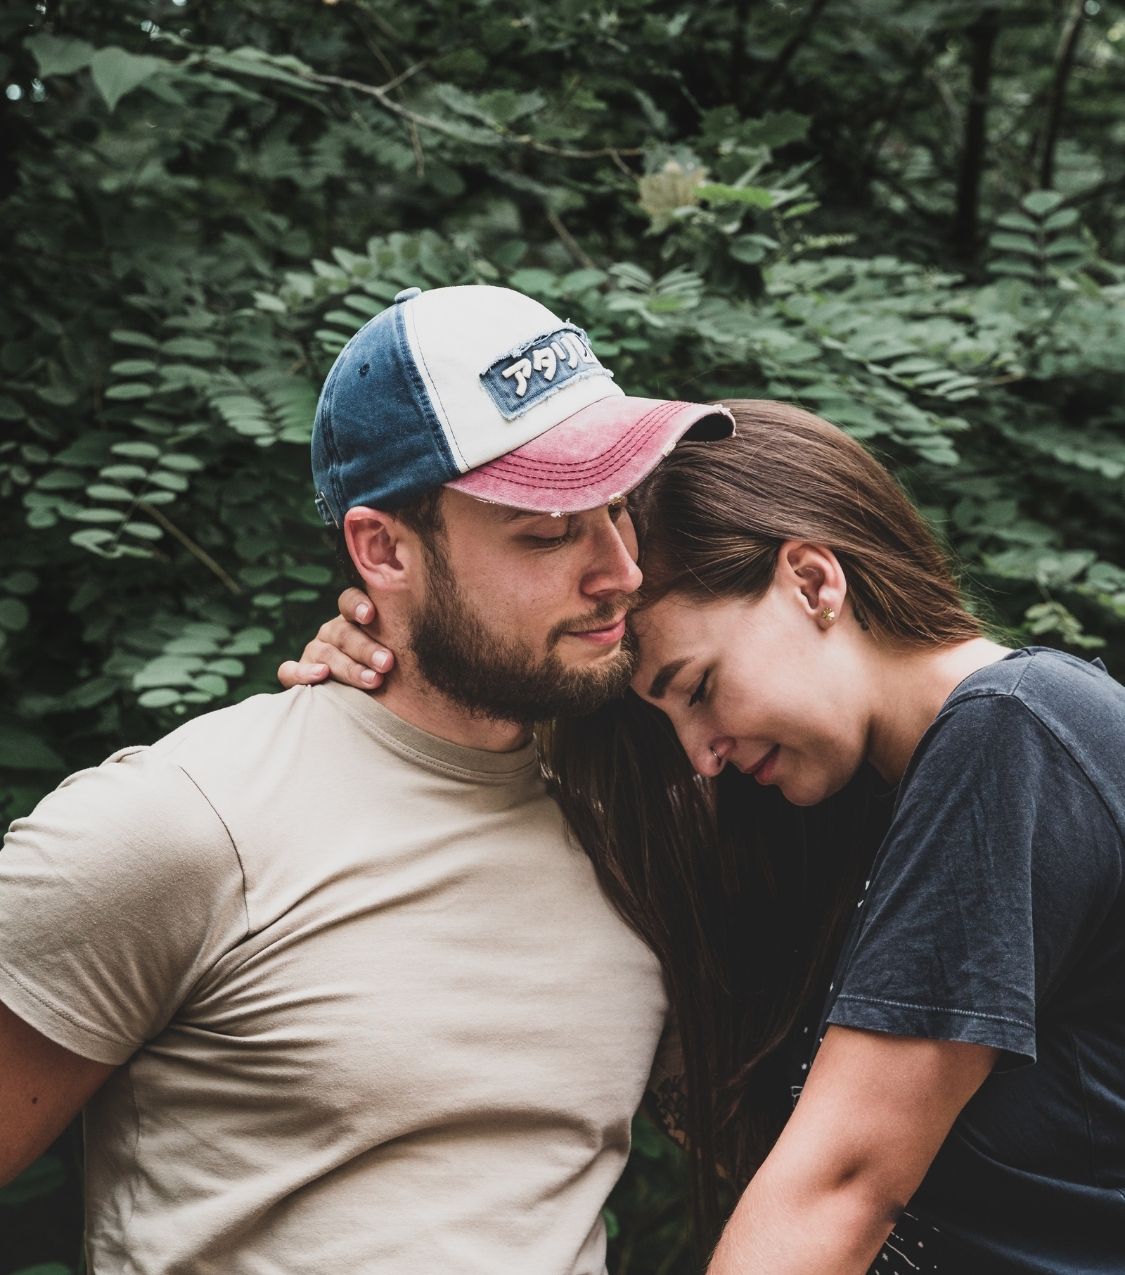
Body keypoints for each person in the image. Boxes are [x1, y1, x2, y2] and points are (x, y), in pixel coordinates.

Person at [288, 400, 1125, 1273]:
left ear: (812, 581)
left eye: (697, 688)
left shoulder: (1016, 735)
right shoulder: (846, 809)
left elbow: (838, 1186)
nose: (702, 754)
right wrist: (420, 665)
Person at [0, 283, 734, 1274]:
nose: (619, 568)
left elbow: (784, 1150)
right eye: (550, 528)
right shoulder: (187, 824)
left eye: (619, 507)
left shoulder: (634, 824)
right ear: (382, 548)